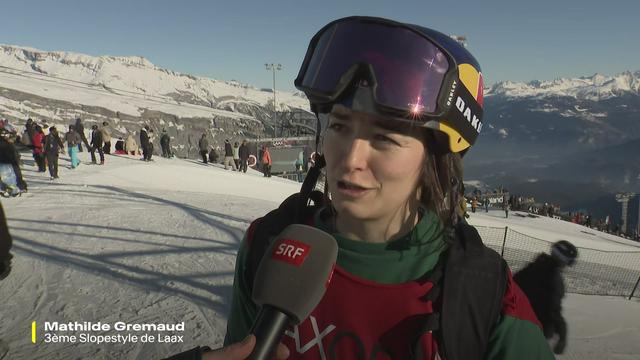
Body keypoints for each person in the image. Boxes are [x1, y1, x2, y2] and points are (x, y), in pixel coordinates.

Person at [220, 16, 553, 360]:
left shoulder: (482, 297)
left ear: (434, 160)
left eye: (384, 138)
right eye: (339, 125)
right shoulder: (269, 245)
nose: (351, 158)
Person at [514, 241, 578, 354]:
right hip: (535, 329)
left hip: (515, 323)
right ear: (564, 260)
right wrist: (562, 333)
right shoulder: (554, 279)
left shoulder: (533, 267)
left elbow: (514, 285)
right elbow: (553, 310)